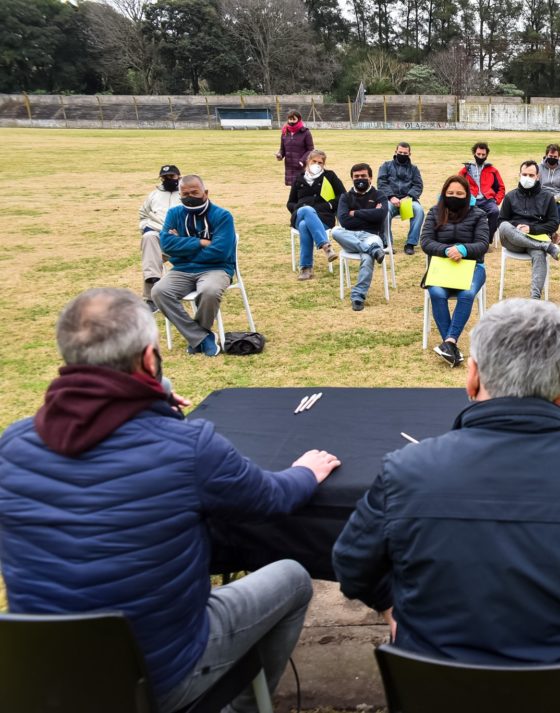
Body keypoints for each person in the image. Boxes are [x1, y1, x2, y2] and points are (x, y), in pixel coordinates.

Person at [0, 287, 342, 713]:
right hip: (160, 676)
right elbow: (270, 499)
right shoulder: (188, 448)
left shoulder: (11, 445)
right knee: (292, 576)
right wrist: (306, 471)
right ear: (148, 360)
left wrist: (155, 410)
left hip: (44, 676)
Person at [332, 298, 560, 664]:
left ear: (472, 376)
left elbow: (353, 566)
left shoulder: (405, 471)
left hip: (434, 686)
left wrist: (393, 608)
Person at [152, 175, 237, 357]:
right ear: (180, 195)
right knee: (159, 291)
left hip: (217, 268)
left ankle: (198, 335)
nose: (190, 196)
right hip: (182, 270)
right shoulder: (174, 214)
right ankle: (201, 337)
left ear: (205, 193)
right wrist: (200, 242)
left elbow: (220, 252)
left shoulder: (222, 216)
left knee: (210, 290)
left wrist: (181, 246)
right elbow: (166, 245)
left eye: (194, 192)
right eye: (185, 193)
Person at [420, 176, 490, 367]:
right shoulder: (435, 212)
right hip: (442, 267)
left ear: (467, 195)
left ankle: (449, 343)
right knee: (436, 292)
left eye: (459, 193)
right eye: (450, 193)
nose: (454, 196)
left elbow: (483, 244)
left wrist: (463, 250)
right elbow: (425, 242)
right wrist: (445, 251)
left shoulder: (479, 214)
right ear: (444, 193)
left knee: (467, 294)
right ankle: (451, 346)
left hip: (473, 266)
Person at [498, 160, 560, 299]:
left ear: (538, 176)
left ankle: (535, 298)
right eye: (524, 174)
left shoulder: (547, 197)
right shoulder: (510, 196)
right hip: (513, 241)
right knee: (504, 226)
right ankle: (547, 246)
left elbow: (553, 224)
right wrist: (516, 227)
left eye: (531, 175)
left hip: (535, 237)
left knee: (539, 254)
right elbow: (502, 220)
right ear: (519, 174)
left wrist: (532, 229)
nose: (527, 178)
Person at [333, 163, 388, 311]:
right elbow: (344, 220)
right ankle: (372, 250)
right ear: (351, 178)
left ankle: (358, 296)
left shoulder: (379, 195)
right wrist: (370, 214)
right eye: (356, 177)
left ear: (370, 177)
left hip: (372, 235)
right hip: (350, 236)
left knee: (367, 257)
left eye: (363, 176)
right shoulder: (345, 196)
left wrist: (355, 213)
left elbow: (381, 215)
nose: (360, 179)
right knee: (335, 231)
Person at [287, 149, 343, 281]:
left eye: (321, 162)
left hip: (322, 217)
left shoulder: (329, 176)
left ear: (324, 164)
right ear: (308, 161)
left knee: (304, 225)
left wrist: (329, 205)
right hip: (300, 213)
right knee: (306, 211)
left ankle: (306, 268)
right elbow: (290, 203)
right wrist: (299, 208)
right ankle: (326, 246)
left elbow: (342, 195)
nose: (317, 164)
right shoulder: (299, 178)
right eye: (314, 161)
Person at [138, 164, 183, 311]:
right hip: (159, 237)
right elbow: (143, 214)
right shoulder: (154, 195)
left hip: (182, 239)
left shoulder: (187, 192)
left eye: (171, 176)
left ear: (179, 177)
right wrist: (145, 227)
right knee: (149, 237)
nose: (168, 179)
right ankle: (153, 292)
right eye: (164, 177)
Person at [377, 142, 425, 256]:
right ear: (395, 152)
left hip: (408, 200)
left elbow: (418, 185)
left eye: (405, 153)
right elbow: (381, 183)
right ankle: (387, 243)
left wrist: (408, 197)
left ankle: (410, 244)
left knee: (419, 211)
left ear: (409, 154)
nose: (402, 154)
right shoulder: (386, 166)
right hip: (390, 200)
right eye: (400, 152)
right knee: (384, 211)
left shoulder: (414, 169)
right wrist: (391, 196)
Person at [458, 142, 505, 238]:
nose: (480, 156)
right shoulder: (466, 170)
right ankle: (468, 237)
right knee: (462, 212)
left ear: (487, 155)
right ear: (474, 154)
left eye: (483, 155)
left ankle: (487, 239)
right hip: (471, 200)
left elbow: (501, 188)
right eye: (478, 154)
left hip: (488, 200)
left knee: (495, 212)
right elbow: (457, 184)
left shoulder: (493, 170)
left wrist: (496, 200)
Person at [538, 143, 560, 242]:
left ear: (559, 157)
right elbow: (536, 185)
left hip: (557, 198)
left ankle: (547, 231)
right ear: (546, 155)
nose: (552, 158)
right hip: (542, 197)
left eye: (555, 157)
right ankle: (551, 233)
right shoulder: (538, 168)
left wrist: (557, 197)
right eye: (550, 156)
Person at [275, 110, 314, 187]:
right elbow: (282, 149)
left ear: (298, 119)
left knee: (302, 187)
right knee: (293, 189)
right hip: (289, 166)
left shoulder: (305, 132)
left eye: (294, 119)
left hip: (301, 166)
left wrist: (302, 161)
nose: (291, 121)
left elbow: (310, 150)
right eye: (290, 119)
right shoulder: (284, 132)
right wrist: (279, 155)